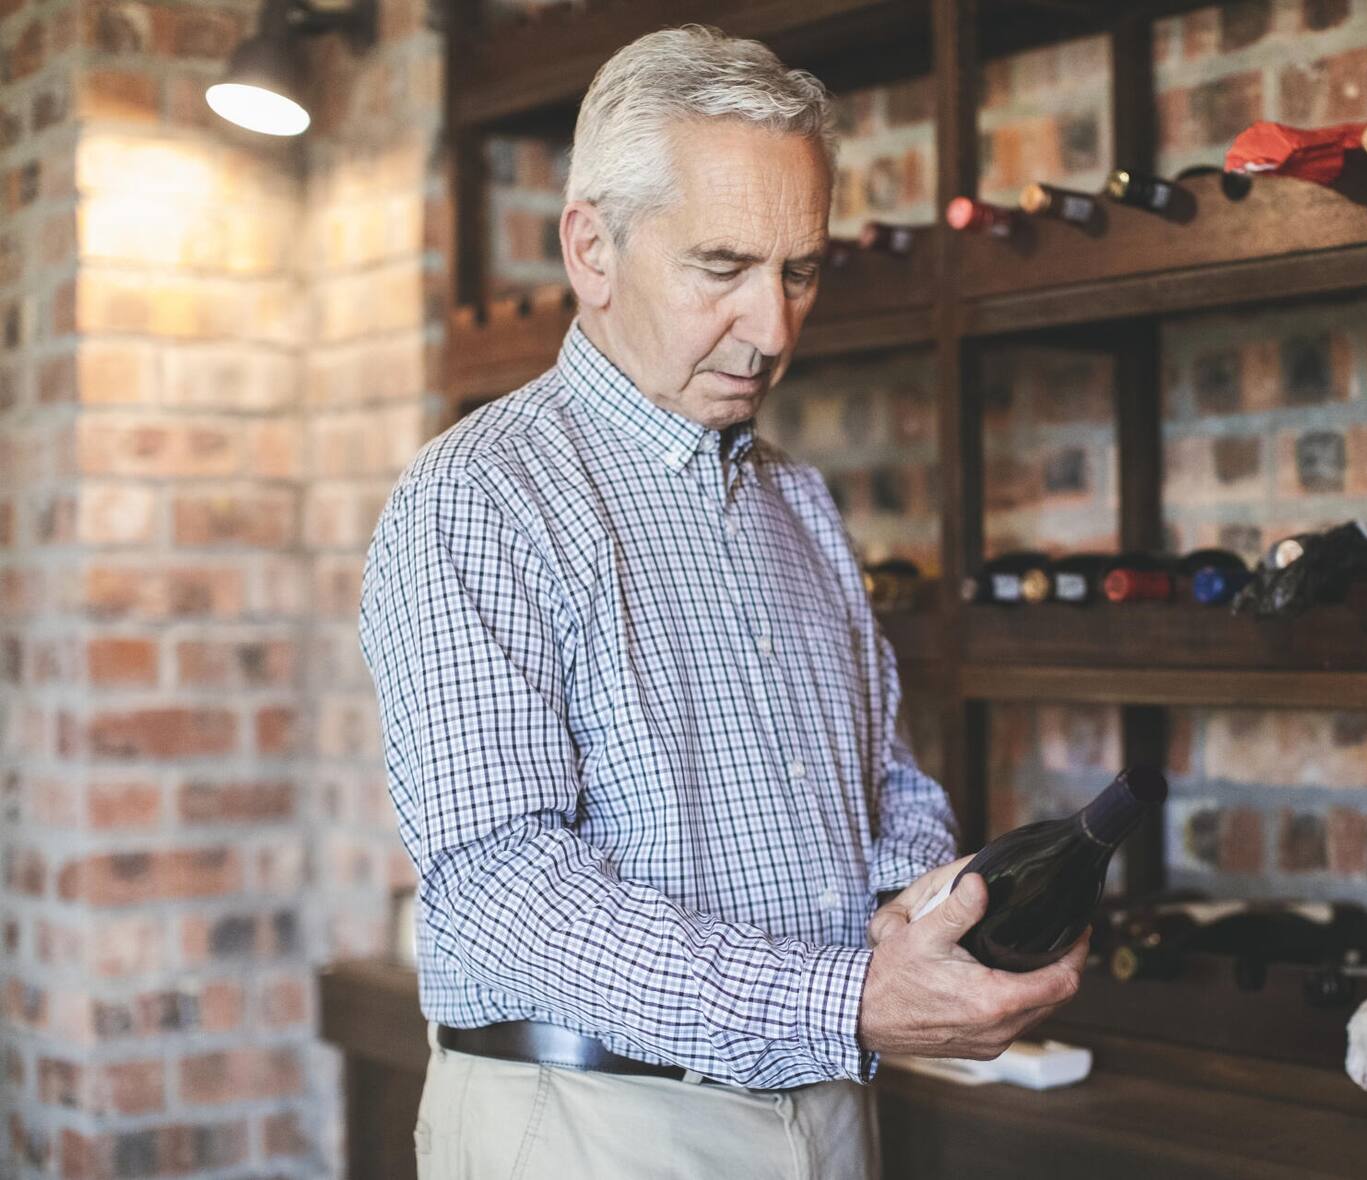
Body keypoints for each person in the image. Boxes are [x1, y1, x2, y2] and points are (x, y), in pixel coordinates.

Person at [358, 24, 1087, 1180]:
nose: (774, 327)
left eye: (799, 271)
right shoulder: (479, 496)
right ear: (591, 248)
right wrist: (847, 996)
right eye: (722, 267)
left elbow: (885, 782)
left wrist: (916, 910)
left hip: (829, 1106)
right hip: (590, 1125)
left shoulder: (798, 500)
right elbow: (504, 888)